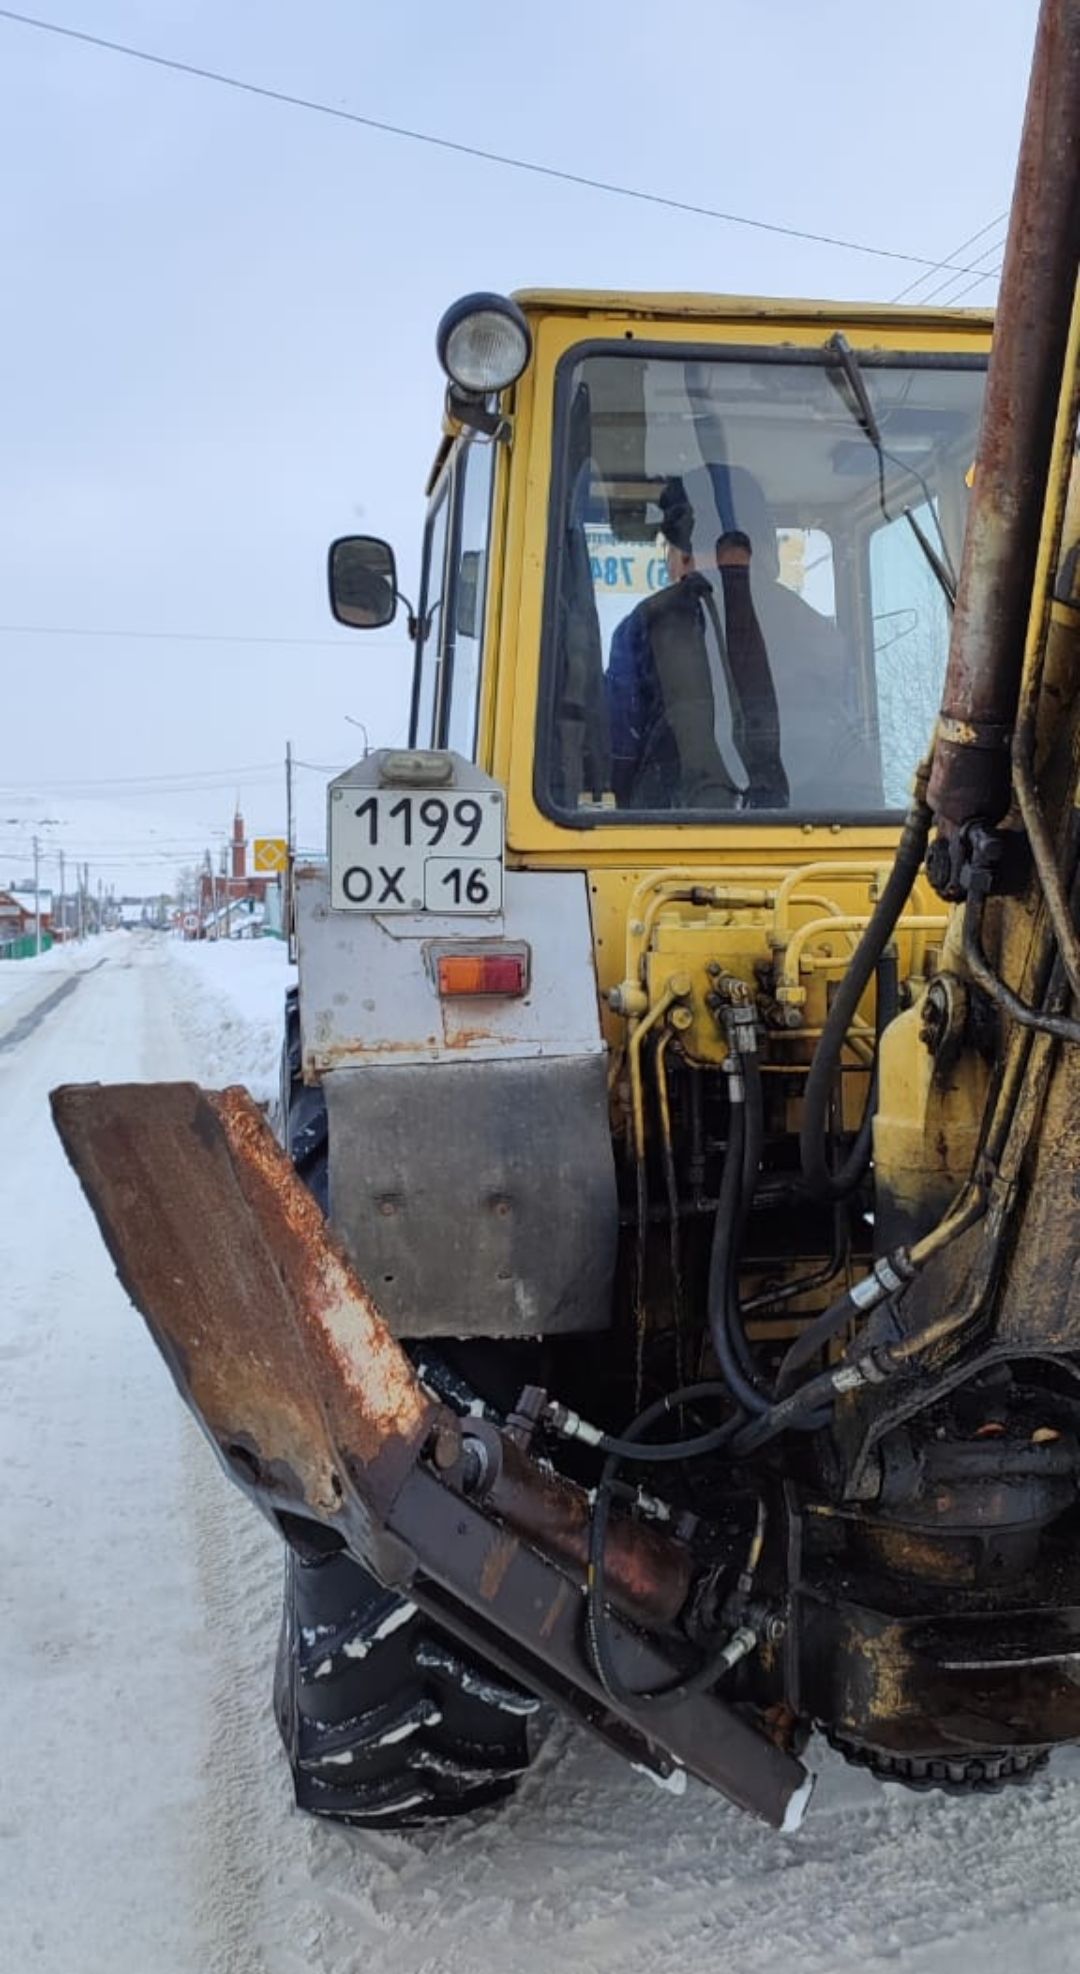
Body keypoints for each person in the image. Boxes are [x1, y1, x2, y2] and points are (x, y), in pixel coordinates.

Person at [606, 478, 788, 810]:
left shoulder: (647, 624)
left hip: (677, 834)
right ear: (765, 545)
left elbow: (619, 753)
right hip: (818, 836)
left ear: (680, 553)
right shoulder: (821, 632)